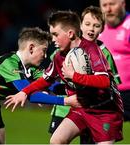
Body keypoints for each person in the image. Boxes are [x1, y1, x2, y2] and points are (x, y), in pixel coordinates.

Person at [5, 10, 123, 144]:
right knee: (56, 140)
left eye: (55, 34)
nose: (53, 39)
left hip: (105, 111)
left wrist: (74, 76)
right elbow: (45, 80)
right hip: (82, 108)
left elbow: (104, 81)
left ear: (70, 33)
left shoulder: (91, 49)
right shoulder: (58, 56)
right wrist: (24, 92)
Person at [48, 5, 122, 144]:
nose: (91, 29)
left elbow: (111, 86)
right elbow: (50, 77)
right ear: (80, 25)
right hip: (64, 109)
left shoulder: (104, 54)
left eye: (96, 25)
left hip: (93, 110)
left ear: (102, 28)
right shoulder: (63, 49)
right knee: (57, 140)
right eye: (87, 24)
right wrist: (49, 89)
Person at [99, 0, 130, 122]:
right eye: (104, 5)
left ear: (123, 4)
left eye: (112, 4)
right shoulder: (95, 27)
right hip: (104, 92)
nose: (108, 9)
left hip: (127, 93)